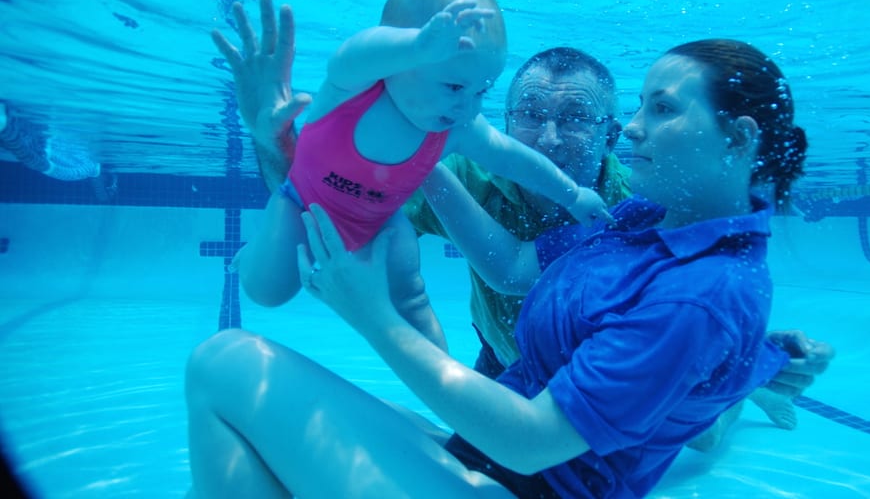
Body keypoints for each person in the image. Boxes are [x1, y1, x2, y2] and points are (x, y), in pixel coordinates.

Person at [186, 38, 813, 497]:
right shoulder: (639, 219)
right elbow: (511, 267)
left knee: (226, 364)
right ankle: (740, 372)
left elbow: (690, 312)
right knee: (253, 427)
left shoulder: (652, 235)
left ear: (738, 139)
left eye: (662, 110)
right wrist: (286, 141)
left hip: (534, 461)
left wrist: (373, 316)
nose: (548, 137)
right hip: (506, 430)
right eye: (529, 115)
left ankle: (737, 385)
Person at [211, 0, 611, 350]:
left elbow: (512, 158)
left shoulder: (454, 125)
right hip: (304, 203)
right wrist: (416, 47)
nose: (468, 108)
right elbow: (357, 53)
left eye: (481, 92)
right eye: (455, 86)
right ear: (399, 60)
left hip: (381, 223)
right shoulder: (353, 86)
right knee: (269, 291)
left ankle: (442, 371)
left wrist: (572, 195)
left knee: (410, 296)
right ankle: (257, 255)